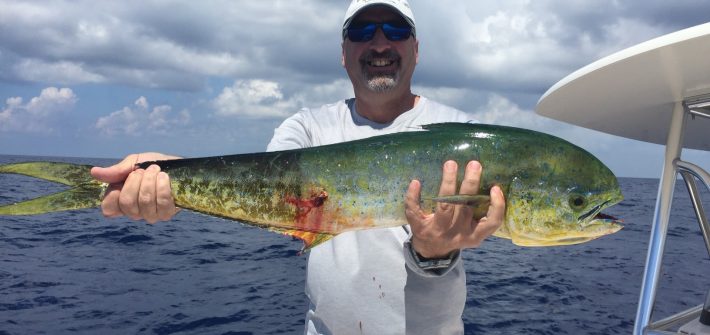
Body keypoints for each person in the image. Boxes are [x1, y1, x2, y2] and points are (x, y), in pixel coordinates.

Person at [90, 0, 505, 334]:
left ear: (416, 49)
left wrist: (434, 254)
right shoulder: (308, 125)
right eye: (362, 32)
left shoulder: (462, 135)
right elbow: (268, 188)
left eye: (395, 31)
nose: (380, 43)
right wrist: (167, 175)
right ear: (344, 54)